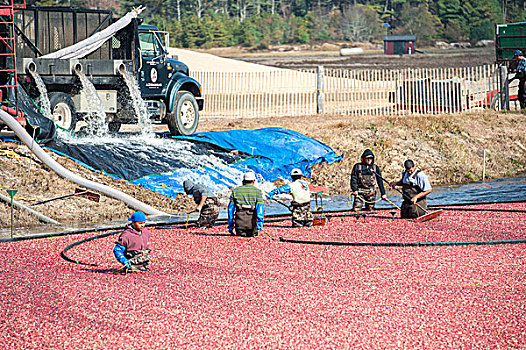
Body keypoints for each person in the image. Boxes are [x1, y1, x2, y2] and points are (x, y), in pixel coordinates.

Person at [227, 172, 264, 237]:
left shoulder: (235, 191)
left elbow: (230, 210)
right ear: (253, 181)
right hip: (252, 225)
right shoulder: (258, 192)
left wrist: (231, 226)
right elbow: (260, 210)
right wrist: (259, 225)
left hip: (239, 225)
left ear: (243, 181)